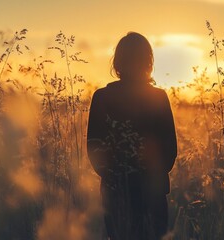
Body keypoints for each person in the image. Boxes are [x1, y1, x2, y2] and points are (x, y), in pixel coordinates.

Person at [87, 32, 177, 240]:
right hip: (152, 194)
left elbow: (94, 149)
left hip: (115, 194)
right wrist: (148, 175)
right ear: (149, 61)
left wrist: (116, 177)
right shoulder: (158, 97)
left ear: (118, 62)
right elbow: (170, 150)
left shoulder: (102, 97)